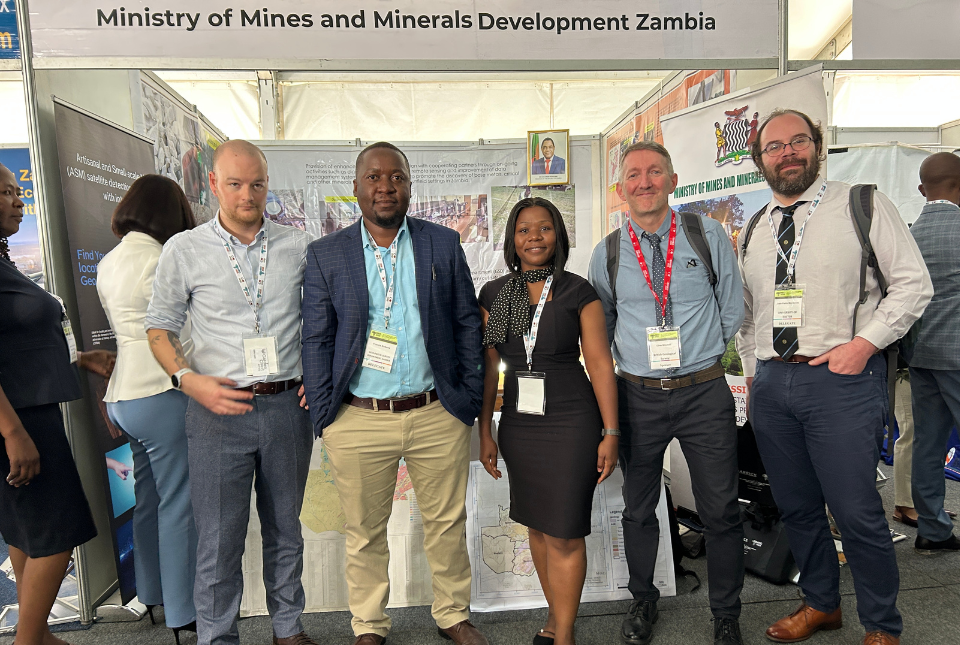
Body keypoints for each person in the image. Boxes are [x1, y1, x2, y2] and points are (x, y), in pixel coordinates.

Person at [736, 109, 932, 645]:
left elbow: (913, 285)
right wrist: (756, 375)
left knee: (855, 511)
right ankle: (821, 603)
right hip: (774, 385)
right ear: (760, 160)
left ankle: (881, 624)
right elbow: (750, 312)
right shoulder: (755, 227)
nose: (787, 153)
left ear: (818, 146)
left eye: (798, 141)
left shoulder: (861, 203)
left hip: (842, 381)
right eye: (774, 146)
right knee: (797, 506)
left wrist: (864, 345)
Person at [302, 142, 486, 645]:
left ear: (409, 185)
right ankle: (369, 624)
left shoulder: (442, 245)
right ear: (357, 186)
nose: (386, 186)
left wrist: (467, 398)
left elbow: (467, 323)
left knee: (447, 522)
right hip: (358, 415)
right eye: (375, 177)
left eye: (396, 177)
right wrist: (326, 413)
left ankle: (452, 614)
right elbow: (316, 336)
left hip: (434, 410)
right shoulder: (327, 254)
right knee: (363, 531)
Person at [144, 140, 317, 645]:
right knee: (219, 539)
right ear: (214, 184)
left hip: (287, 406)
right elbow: (158, 329)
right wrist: (186, 379)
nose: (248, 194)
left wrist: (317, 375)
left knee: (287, 528)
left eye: (257, 183)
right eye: (236, 184)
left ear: (268, 184)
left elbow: (320, 319)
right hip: (216, 410)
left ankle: (288, 628)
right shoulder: (185, 249)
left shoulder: (297, 246)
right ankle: (217, 637)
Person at [588, 141, 746, 645]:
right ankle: (643, 600)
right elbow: (603, 327)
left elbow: (732, 303)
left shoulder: (707, 234)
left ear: (672, 180)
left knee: (720, 508)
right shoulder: (608, 253)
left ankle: (726, 613)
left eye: (655, 172)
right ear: (620, 190)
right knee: (638, 508)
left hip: (704, 392)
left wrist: (705, 353)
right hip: (639, 397)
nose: (645, 182)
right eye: (633, 175)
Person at [478, 198, 619, 645]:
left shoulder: (577, 292)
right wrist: (486, 429)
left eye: (543, 229)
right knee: (537, 525)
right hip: (520, 423)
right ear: (512, 239)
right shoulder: (503, 293)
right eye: (524, 230)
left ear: (558, 235)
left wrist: (611, 432)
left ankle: (565, 634)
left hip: (571, 419)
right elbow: (492, 367)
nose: (533, 238)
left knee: (563, 530)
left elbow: (598, 364)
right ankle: (556, 619)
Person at [0, 162, 114, 645]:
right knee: (56, 538)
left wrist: (81, 359)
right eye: (6, 192)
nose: (18, 199)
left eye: (18, 190)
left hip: (29, 412)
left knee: (28, 534)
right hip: (19, 421)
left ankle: (39, 634)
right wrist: (12, 432)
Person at [96, 174, 198, 642]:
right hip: (160, 393)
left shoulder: (111, 259)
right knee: (180, 502)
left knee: (149, 499)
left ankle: (153, 594)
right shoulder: (161, 258)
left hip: (122, 397)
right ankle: (184, 612)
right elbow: (178, 333)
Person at [905, 151, 960, 554]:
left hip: (920, 355)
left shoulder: (907, 234)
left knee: (929, 443)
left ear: (923, 190)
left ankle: (933, 529)